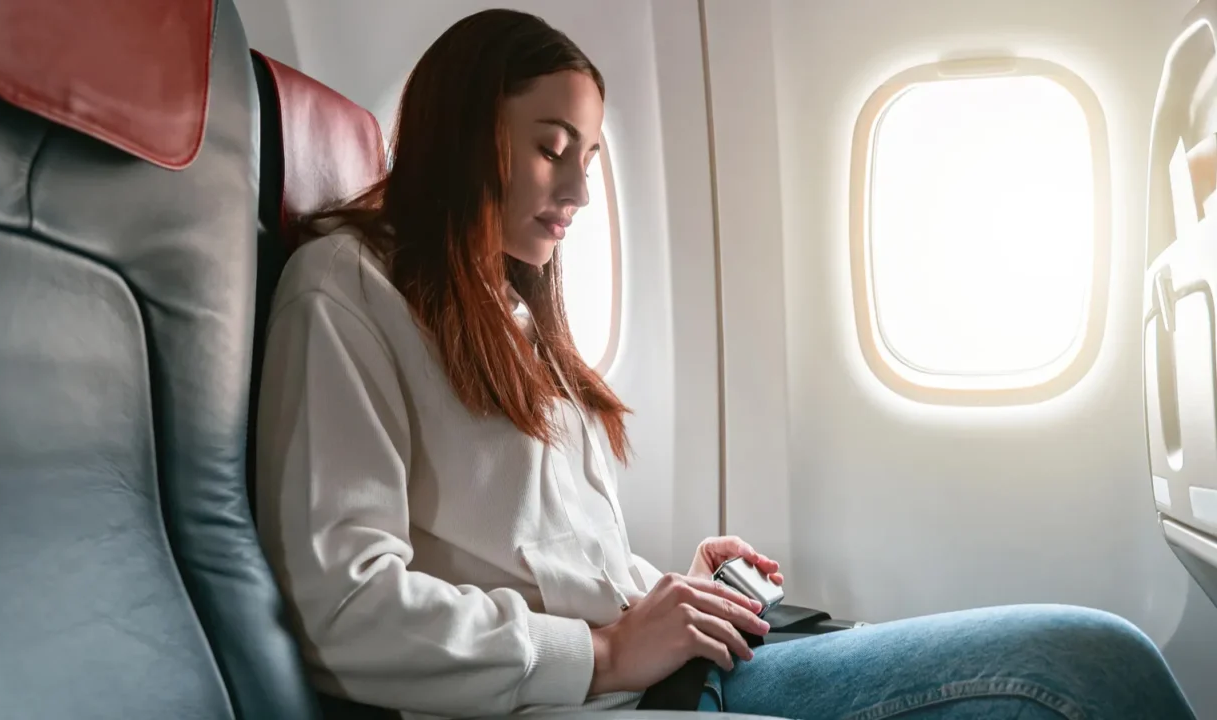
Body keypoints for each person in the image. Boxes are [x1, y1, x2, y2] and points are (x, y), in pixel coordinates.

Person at [253, 8, 1197, 720]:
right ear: (465, 134)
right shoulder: (344, 290)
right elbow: (348, 606)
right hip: (586, 699)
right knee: (1073, 673)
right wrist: (612, 649)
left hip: (657, 674)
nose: (581, 188)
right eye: (552, 149)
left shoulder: (501, 304)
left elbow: (528, 547)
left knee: (1088, 657)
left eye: (588, 154)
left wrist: (664, 584)